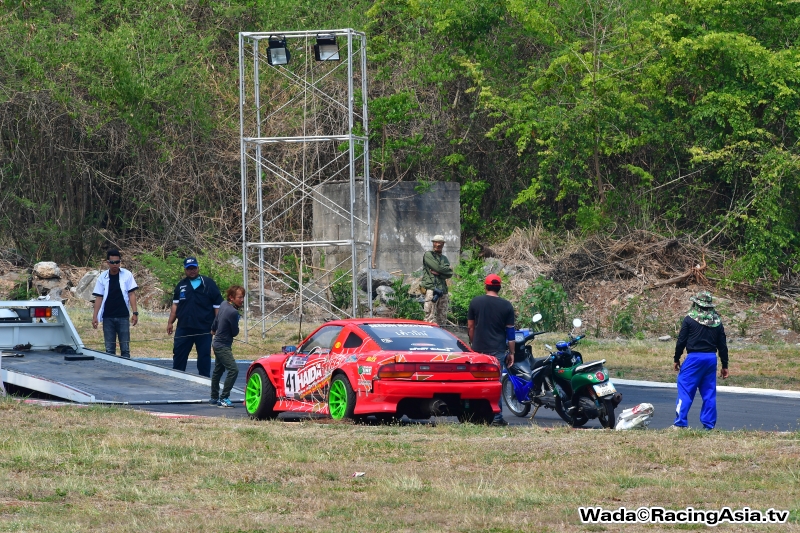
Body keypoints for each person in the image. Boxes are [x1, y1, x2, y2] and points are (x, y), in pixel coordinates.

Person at [672, 291, 729, 430]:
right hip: (710, 359)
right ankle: (708, 426)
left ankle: (680, 423)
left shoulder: (689, 319)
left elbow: (681, 341)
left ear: (696, 304)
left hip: (694, 358)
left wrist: (676, 358)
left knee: (685, 389)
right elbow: (722, 345)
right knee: (709, 393)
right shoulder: (717, 322)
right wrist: (725, 365)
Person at [467, 274, 516, 426]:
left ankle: (474, 416)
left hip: (478, 349)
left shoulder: (475, 302)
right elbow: (510, 333)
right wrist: (512, 352)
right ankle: (496, 417)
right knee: (495, 383)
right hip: (497, 350)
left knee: (475, 381)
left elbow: (470, 327)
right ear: (499, 287)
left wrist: (473, 343)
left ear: (485, 286)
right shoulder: (507, 305)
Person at [167, 257, 223, 377]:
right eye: (189, 269)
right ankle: (177, 377)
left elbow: (217, 306)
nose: (192, 271)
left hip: (204, 328)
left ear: (198, 268)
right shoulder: (181, 285)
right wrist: (170, 322)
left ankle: (204, 379)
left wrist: (217, 325)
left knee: (204, 356)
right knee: (179, 354)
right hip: (184, 327)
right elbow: (175, 305)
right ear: (185, 270)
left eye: (194, 268)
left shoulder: (208, 283)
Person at [91, 249, 139, 358]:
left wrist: (135, 313)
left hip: (123, 316)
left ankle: (125, 368)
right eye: (112, 262)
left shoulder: (127, 275)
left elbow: (132, 294)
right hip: (108, 317)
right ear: (107, 262)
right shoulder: (102, 277)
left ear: (120, 262)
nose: (115, 265)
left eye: (117, 262)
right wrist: (95, 316)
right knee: (109, 350)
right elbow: (99, 297)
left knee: (125, 350)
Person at [210, 285, 244, 408]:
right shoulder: (233, 312)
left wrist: (213, 329)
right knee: (233, 370)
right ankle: (223, 398)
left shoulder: (223, 304)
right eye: (239, 297)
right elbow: (235, 332)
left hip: (217, 343)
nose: (242, 300)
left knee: (218, 370)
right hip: (223, 346)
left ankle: (214, 397)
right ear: (231, 297)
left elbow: (216, 320)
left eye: (243, 297)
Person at [421, 234, 453, 326]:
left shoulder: (444, 258)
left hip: (443, 290)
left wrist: (439, 273)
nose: (438, 245)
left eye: (440, 243)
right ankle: (428, 334)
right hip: (432, 289)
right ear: (433, 243)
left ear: (443, 244)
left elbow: (450, 273)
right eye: (436, 242)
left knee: (442, 318)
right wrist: (444, 270)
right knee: (429, 317)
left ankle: (441, 334)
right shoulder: (428, 255)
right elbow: (438, 268)